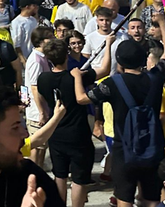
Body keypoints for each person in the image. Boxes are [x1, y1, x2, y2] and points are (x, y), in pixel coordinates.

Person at [76, 13, 165, 207]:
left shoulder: (112, 84)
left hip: (124, 150)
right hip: (153, 148)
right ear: (142, 58)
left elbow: (82, 99)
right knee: (152, 199)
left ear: (119, 61)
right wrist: (163, 24)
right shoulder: (155, 77)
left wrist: (77, 77)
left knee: (124, 198)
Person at [38, 36, 113, 207]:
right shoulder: (76, 77)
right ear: (67, 55)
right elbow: (105, 69)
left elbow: (41, 94)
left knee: (60, 175)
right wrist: (108, 45)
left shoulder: (43, 79)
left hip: (56, 132)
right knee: (79, 178)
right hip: (78, 134)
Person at [24, 27, 54, 167]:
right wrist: (42, 112)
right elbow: (35, 88)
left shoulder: (44, 58)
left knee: (42, 148)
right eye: (49, 37)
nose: (53, 39)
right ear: (41, 41)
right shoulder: (36, 60)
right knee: (36, 147)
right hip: (37, 112)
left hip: (44, 108)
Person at [10, 0, 40, 64]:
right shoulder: (16, 22)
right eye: (34, 5)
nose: (36, 7)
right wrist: (23, 60)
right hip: (25, 59)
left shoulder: (33, 20)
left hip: (35, 57)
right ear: (27, 7)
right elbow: (16, 44)